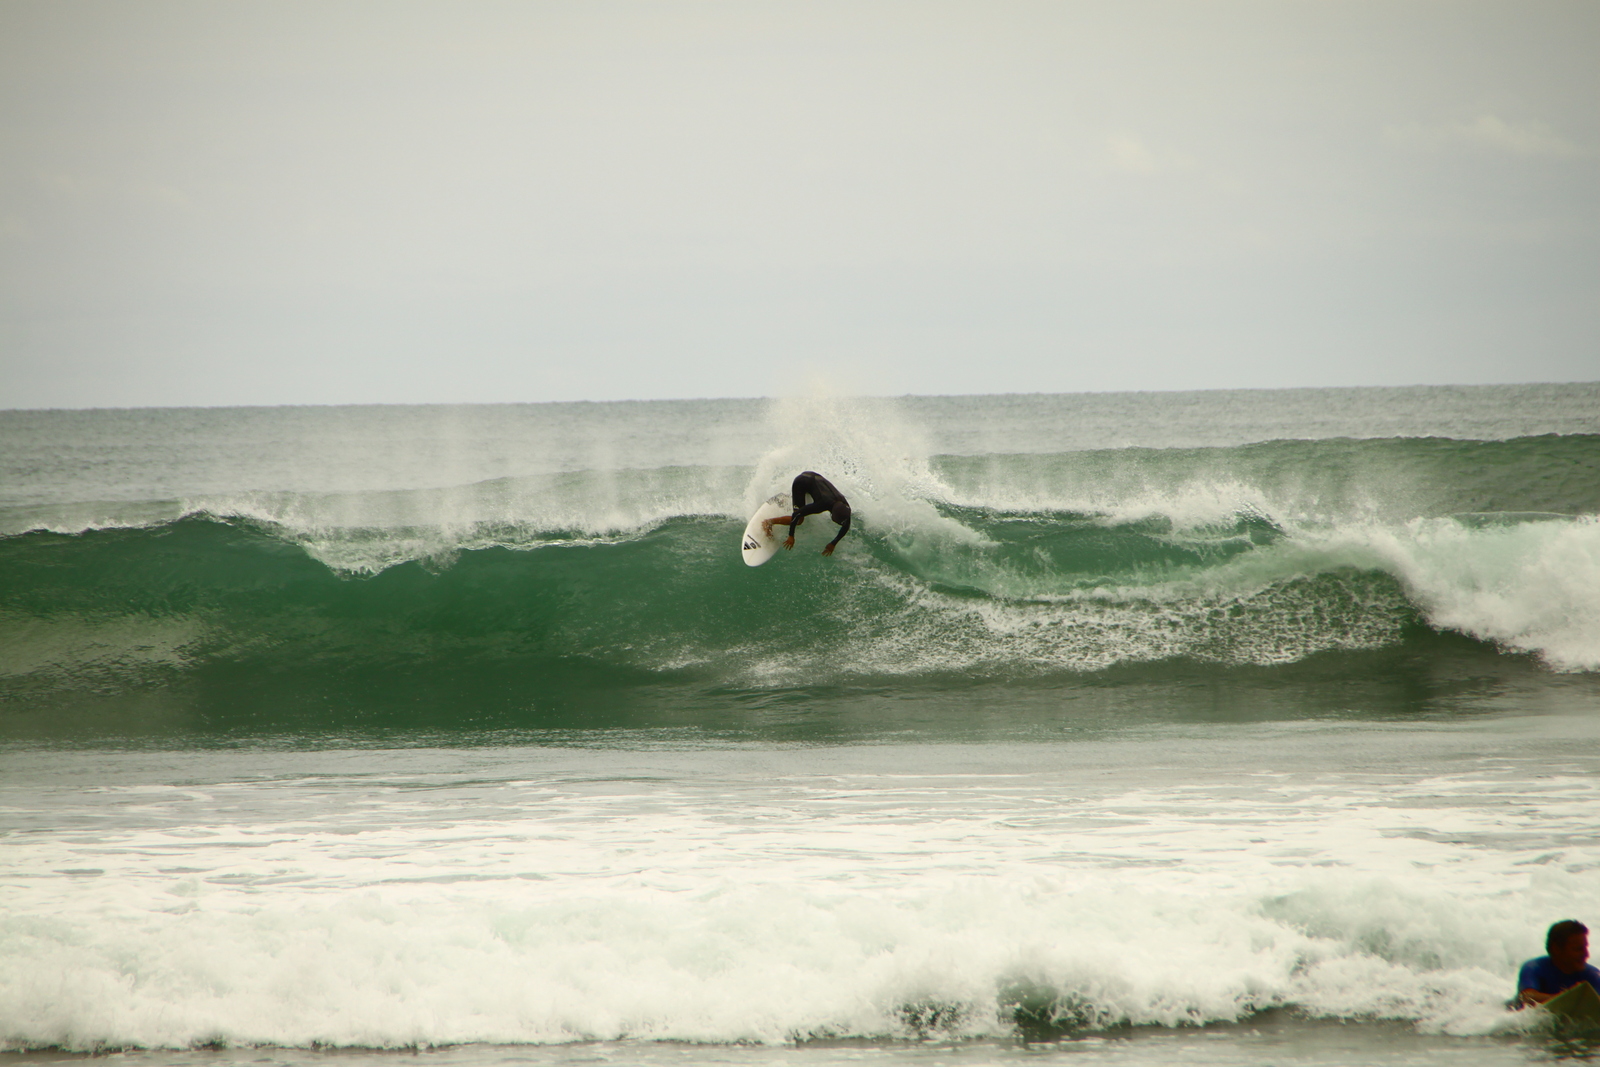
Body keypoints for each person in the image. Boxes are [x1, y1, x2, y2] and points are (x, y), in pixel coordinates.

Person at [763, 470, 852, 556]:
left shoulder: (845, 507)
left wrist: (833, 543)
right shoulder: (822, 505)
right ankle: (769, 522)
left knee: (811, 495)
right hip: (801, 482)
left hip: (814, 477)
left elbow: (846, 525)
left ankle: (788, 498)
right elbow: (796, 515)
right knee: (799, 520)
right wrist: (791, 536)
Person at [1518, 920, 1600, 1007]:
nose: (1586, 954)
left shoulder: (1592, 975)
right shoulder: (1534, 968)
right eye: (1578, 949)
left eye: (1585, 948)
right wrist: (1569, 997)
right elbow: (1526, 997)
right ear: (1556, 949)